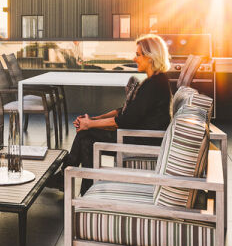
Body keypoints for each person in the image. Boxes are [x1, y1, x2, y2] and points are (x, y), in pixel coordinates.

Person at [55, 33, 173, 188]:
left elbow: (125, 121)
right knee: (86, 139)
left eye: (138, 55)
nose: (134, 59)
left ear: (150, 57)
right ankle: (82, 186)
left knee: (85, 134)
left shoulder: (153, 85)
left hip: (142, 140)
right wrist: (93, 120)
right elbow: (124, 111)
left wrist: (89, 124)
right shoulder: (155, 81)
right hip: (138, 135)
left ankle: (68, 179)